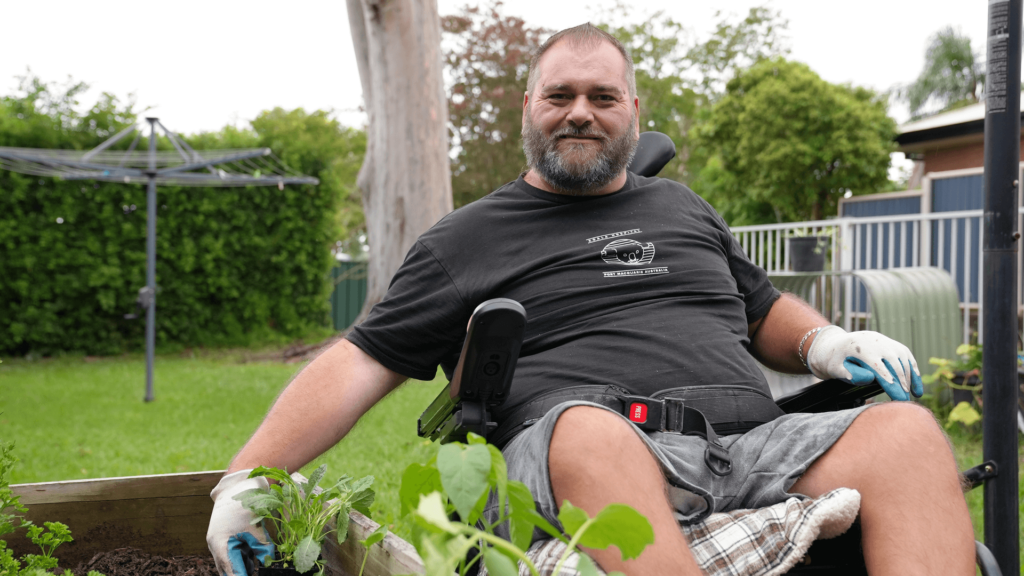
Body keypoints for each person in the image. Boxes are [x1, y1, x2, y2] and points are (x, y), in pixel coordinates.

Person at [207, 24, 975, 576]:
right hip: (581, 449)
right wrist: (246, 479)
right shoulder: (467, 239)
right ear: (529, 108)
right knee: (588, 431)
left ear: (633, 112)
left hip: (748, 446)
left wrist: (827, 343)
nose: (581, 110)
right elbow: (358, 361)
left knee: (905, 435)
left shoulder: (683, 208)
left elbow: (762, 307)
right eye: (561, 95)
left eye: (602, 96)